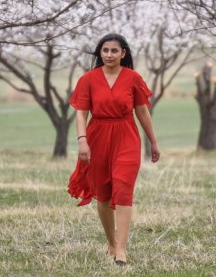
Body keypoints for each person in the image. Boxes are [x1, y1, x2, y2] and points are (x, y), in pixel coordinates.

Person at [67, 33, 161, 266]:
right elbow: (81, 113)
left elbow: (142, 111)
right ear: (100, 53)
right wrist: (82, 140)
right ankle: (111, 242)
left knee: (123, 189)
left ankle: (121, 249)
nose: (109, 55)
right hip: (97, 137)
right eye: (105, 50)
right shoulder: (88, 79)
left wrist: (153, 141)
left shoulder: (133, 78)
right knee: (104, 194)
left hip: (126, 136)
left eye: (114, 51)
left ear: (123, 53)